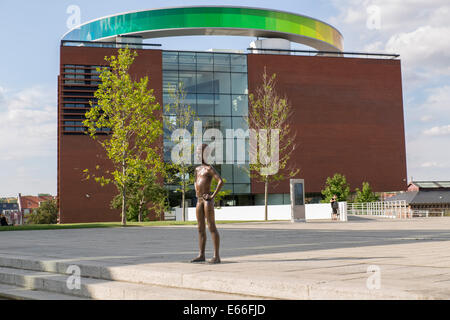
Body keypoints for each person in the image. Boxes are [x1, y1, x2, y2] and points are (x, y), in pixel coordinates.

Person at [191, 144, 224, 264]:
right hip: (199, 200)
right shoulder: (197, 169)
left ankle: (216, 256)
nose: (198, 154)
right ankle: (201, 254)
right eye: (197, 152)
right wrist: (196, 191)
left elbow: (220, 181)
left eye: (200, 151)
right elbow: (195, 181)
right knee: (200, 228)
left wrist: (212, 196)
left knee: (211, 226)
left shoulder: (209, 169)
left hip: (207, 200)